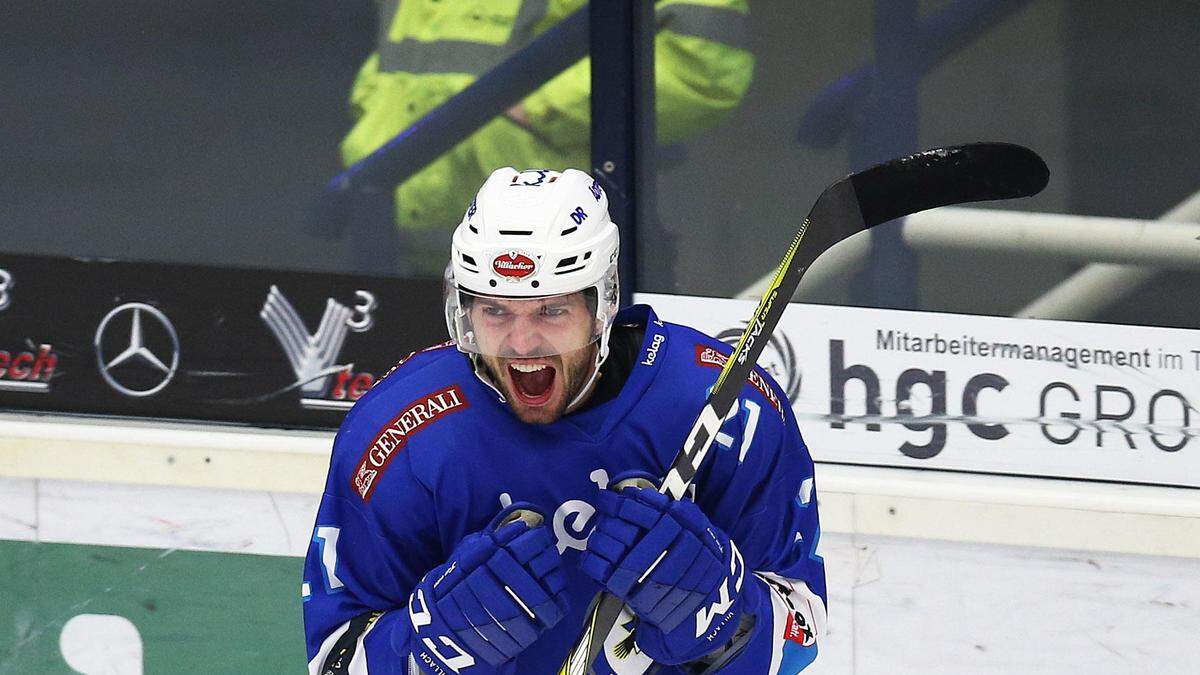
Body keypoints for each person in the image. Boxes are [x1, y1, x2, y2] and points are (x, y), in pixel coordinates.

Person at [303, 168, 826, 674]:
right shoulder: (402, 431)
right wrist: (429, 651)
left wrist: (723, 618)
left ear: (603, 306)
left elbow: (801, 635)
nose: (521, 343)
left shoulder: (727, 406)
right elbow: (334, 658)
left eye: (551, 311)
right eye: (494, 311)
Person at [341, 0, 755, 275]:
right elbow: (402, 57)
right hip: (406, 250)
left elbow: (702, 65)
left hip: (558, 261)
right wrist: (372, 123)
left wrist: (536, 109)